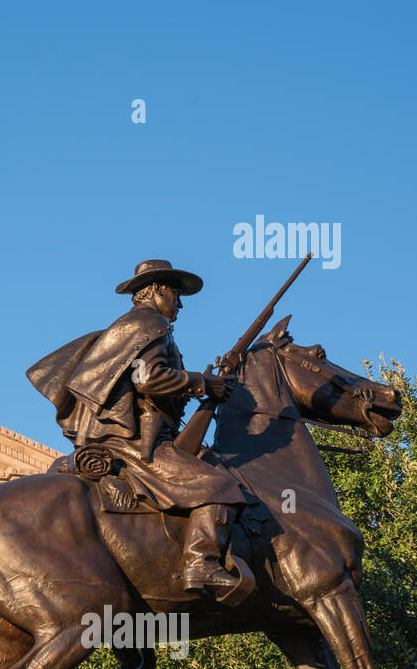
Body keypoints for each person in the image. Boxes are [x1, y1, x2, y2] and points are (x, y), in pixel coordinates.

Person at [28, 259, 254, 604]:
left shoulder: (137, 326)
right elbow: (146, 379)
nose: (179, 302)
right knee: (220, 486)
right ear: (158, 290)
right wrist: (201, 381)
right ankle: (201, 562)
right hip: (136, 445)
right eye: (175, 293)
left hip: (131, 438)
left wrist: (205, 386)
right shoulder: (149, 324)